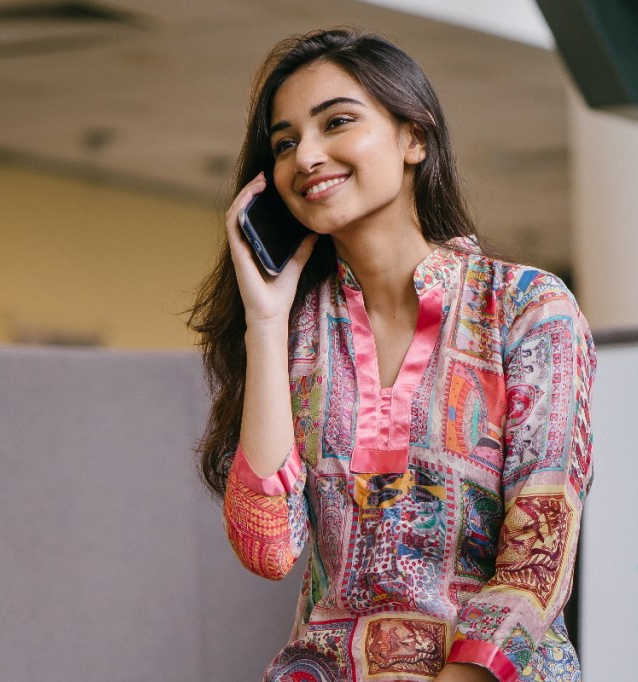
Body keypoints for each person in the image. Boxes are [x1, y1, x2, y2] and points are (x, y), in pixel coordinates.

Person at [189, 28, 595, 682]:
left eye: (337, 123)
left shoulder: (525, 306)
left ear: (415, 139)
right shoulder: (297, 334)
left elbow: (536, 561)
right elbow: (268, 548)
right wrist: (265, 321)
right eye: (286, 142)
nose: (308, 156)